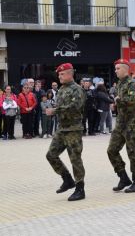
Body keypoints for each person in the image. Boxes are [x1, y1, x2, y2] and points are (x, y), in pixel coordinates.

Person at [45, 63, 86, 201]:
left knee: (75, 158)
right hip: (62, 129)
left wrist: (55, 110)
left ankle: (80, 189)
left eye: (62, 74)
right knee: (51, 155)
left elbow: (74, 107)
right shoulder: (62, 89)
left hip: (73, 129)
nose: (59, 76)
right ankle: (67, 179)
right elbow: (61, 106)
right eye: (59, 74)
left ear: (70, 74)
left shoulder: (77, 89)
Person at [107, 58, 135, 193]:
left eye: (118, 69)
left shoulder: (131, 83)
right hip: (121, 122)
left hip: (132, 123)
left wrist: (118, 100)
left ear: (125, 69)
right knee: (112, 150)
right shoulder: (120, 84)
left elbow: (132, 100)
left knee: (132, 152)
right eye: (115, 69)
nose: (115, 71)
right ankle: (123, 177)